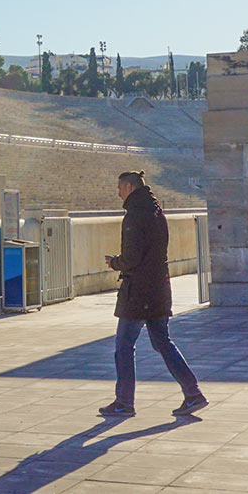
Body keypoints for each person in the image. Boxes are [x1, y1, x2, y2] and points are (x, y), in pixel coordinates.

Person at [99, 170, 207, 419]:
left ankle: (124, 402)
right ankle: (193, 393)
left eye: (119, 188)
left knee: (124, 345)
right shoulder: (156, 211)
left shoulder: (134, 216)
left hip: (139, 292)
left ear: (128, 187)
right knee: (162, 342)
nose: (118, 193)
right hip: (158, 287)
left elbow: (132, 257)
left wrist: (115, 262)